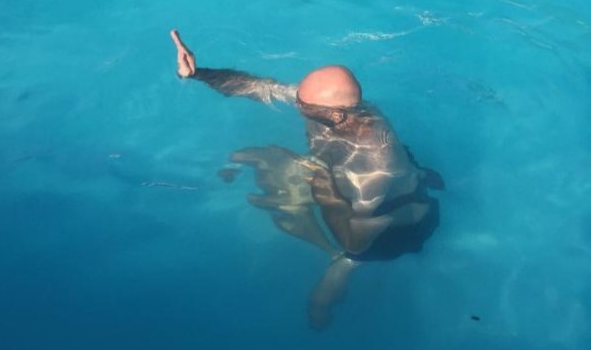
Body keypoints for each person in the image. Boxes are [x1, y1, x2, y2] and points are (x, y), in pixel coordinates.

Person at [170, 30, 443, 329]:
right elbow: (262, 88)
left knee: (299, 182)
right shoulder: (340, 108)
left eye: (303, 105)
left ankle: (339, 277)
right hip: (391, 187)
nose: (296, 105)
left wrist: (324, 189)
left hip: (394, 232)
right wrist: (199, 73)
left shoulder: (373, 166)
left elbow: (358, 239)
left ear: (336, 115)